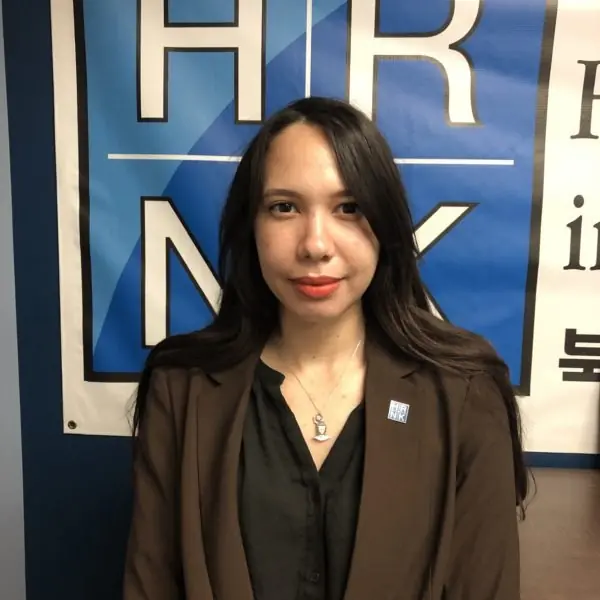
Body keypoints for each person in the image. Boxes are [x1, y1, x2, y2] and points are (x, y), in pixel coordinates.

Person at [123, 96, 530, 600]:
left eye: (349, 208)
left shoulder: (464, 390)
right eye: (284, 207)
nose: (315, 244)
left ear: (385, 224)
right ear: (251, 226)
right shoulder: (182, 387)